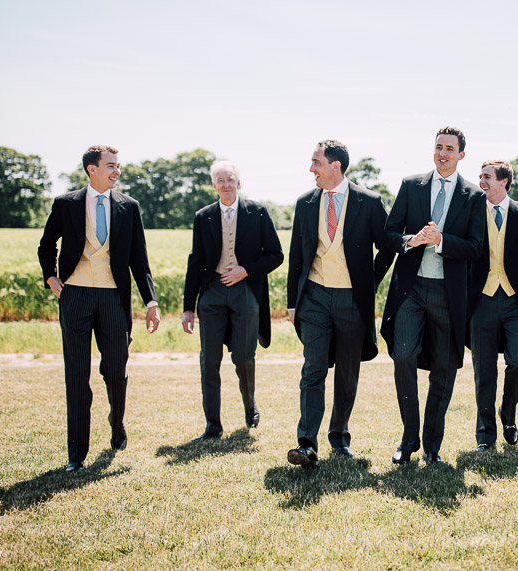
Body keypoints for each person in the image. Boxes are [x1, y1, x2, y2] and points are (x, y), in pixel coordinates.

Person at [38, 145, 159, 473]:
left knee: (116, 372)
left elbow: (139, 258)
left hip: (113, 299)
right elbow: (47, 243)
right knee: (77, 375)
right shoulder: (66, 204)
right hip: (75, 295)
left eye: (118, 166)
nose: (117, 171)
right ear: (92, 169)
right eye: (111, 166)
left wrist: (151, 302)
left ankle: (116, 424)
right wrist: (51, 277)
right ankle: (76, 453)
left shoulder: (128, 207)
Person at [285, 140, 395, 468]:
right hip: (314, 298)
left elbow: (387, 246)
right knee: (313, 369)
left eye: (316, 162)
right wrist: (293, 302)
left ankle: (339, 436)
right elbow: (296, 255)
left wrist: (368, 283)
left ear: (336, 166)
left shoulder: (369, 201)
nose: (311, 169)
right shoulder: (305, 202)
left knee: (347, 373)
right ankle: (306, 444)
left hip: (351, 300)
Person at [381, 126, 486, 465]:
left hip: (448, 293)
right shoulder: (412, 186)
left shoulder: (474, 196)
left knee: (444, 368)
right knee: (403, 356)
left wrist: (441, 241)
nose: (443, 153)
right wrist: (414, 240)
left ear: (461, 155)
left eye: (449, 149)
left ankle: (432, 446)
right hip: (410, 289)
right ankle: (408, 440)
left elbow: (474, 248)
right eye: (438, 147)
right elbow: (389, 235)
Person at [182, 160, 283, 440]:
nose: (226, 185)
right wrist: (188, 307)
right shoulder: (203, 216)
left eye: (230, 179)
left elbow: (276, 255)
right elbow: (196, 261)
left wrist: (245, 270)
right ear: (214, 185)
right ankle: (212, 425)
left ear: (239, 183)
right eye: (220, 180)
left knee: (243, 357)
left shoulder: (257, 212)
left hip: (245, 291)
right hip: (212, 291)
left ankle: (250, 405)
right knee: (209, 359)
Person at [468, 160, 518, 451]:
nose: (481, 181)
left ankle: (508, 413)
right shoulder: (473, 210)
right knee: (484, 371)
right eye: (480, 177)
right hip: (481, 301)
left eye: (487, 177)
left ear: (504, 181)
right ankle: (485, 437)